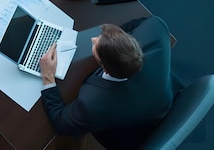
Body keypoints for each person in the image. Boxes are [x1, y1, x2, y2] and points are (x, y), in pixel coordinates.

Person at [39, 16, 177, 149]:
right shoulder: (155, 29)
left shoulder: (92, 104)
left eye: (96, 46)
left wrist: (48, 77)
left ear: (104, 67)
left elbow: (60, 123)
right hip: (164, 97)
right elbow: (138, 24)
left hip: (135, 133)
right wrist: (114, 45)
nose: (93, 39)